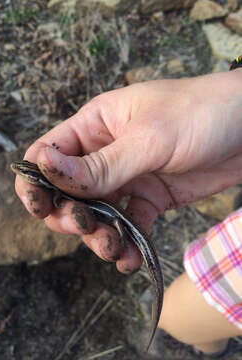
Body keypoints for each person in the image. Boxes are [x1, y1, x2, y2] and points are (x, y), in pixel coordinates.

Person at [14, 69, 242, 358]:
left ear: (32, 176)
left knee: (173, 316)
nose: (20, 171)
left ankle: (208, 347)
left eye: (23, 170)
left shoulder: (58, 183)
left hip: (125, 223)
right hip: (119, 215)